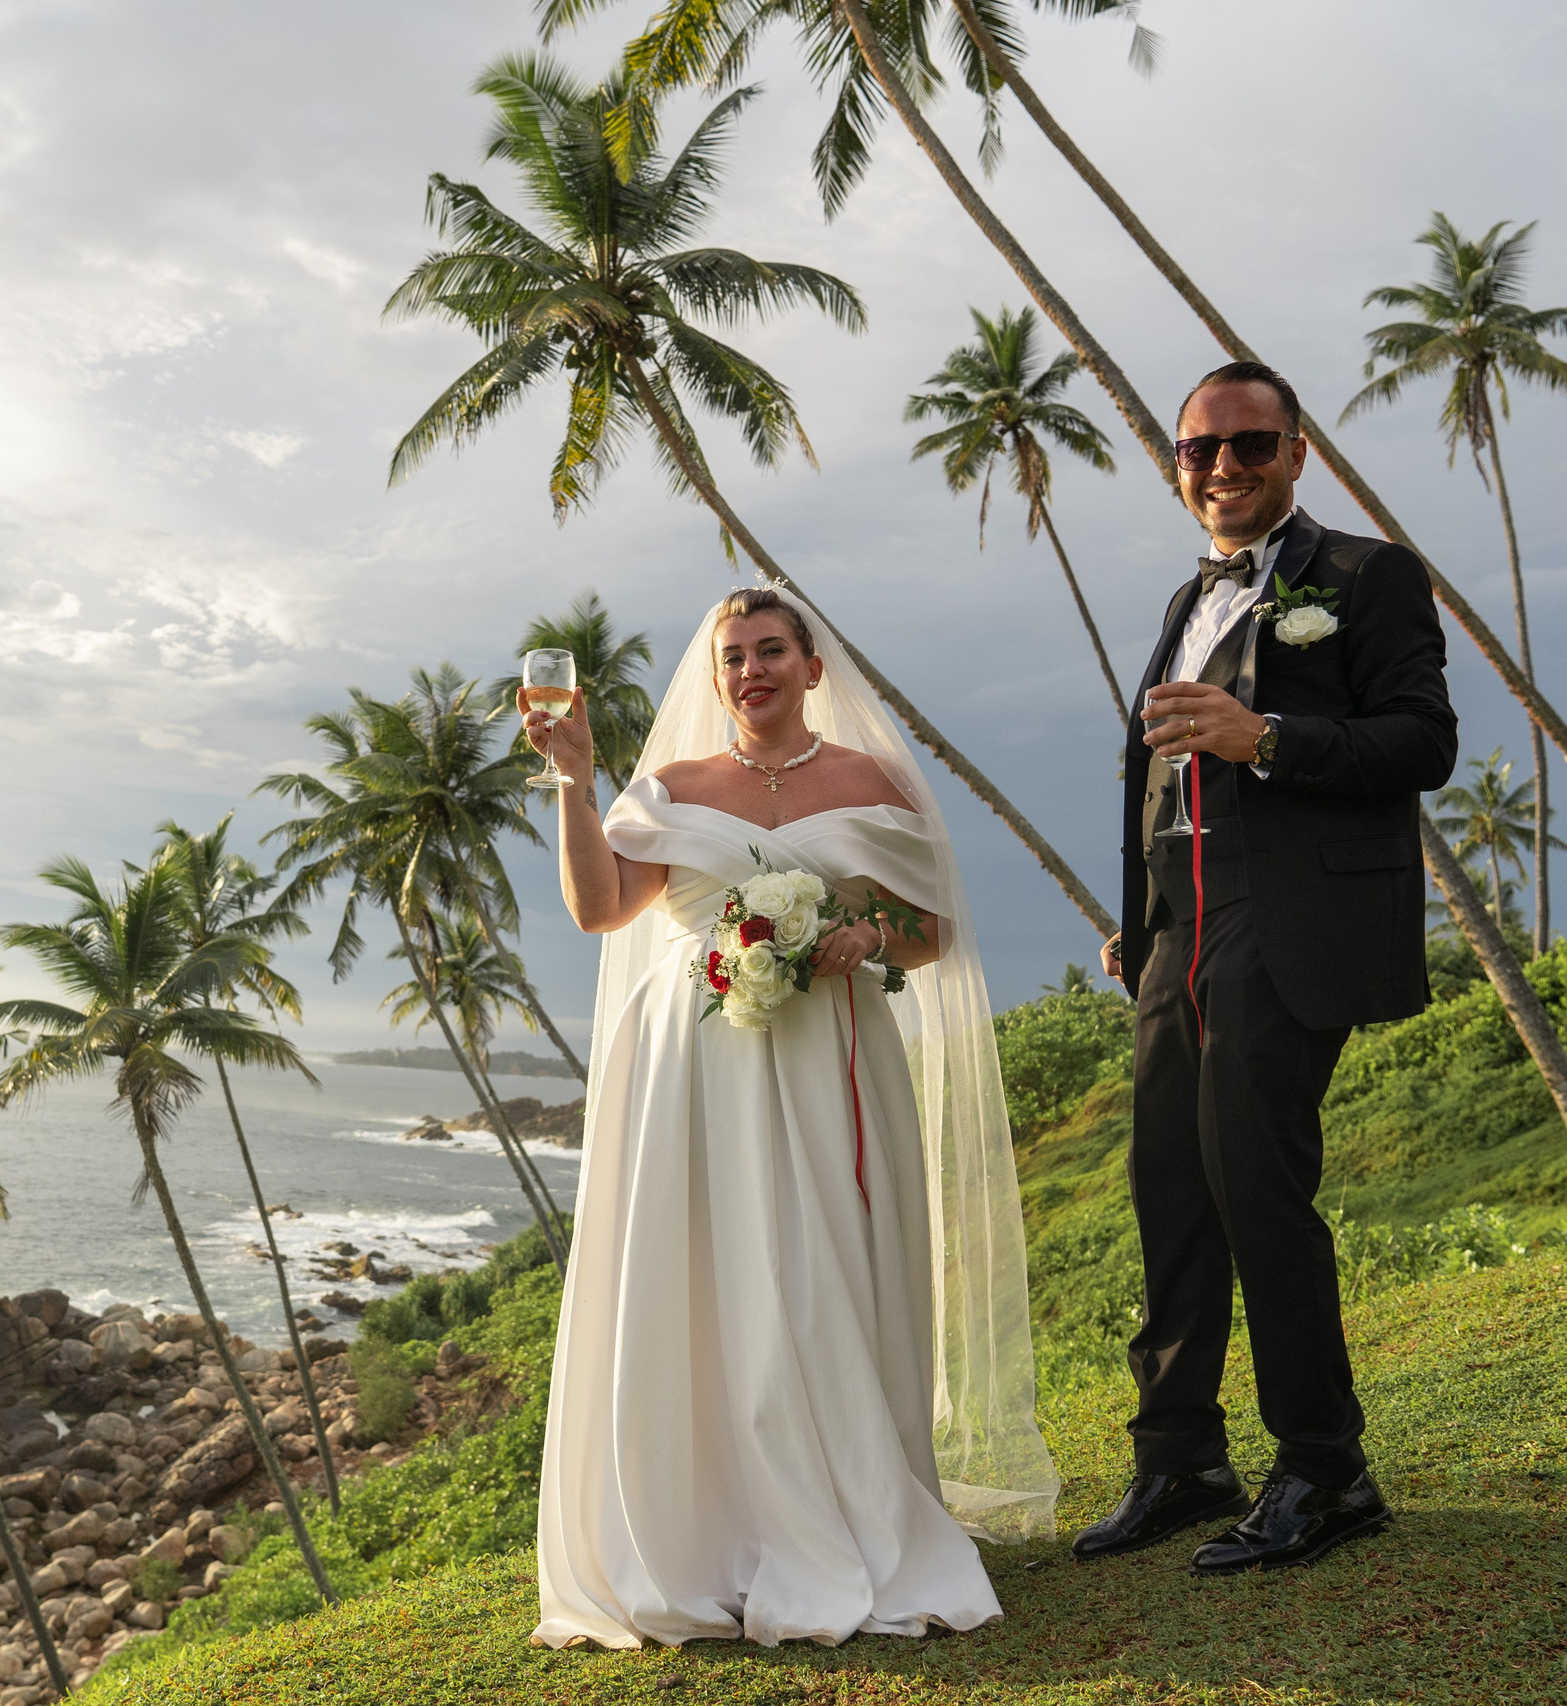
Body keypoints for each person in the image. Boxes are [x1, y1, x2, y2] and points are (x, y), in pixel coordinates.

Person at [525, 585, 1055, 1650]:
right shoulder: (670, 784)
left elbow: (929, 934)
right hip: (694, 1061)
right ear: (713, 675)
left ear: (814, 667)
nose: (750, 670)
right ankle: (709, 1527)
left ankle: (847, 1506)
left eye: (771, 650)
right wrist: (576, 782)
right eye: (732, 656)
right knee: (707, 1274)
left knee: (823, 1271)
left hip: (830, 1060)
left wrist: (862, 923)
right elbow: (598, 908)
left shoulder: (872, 781)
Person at [1084, 360, 1456, 1573]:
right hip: (1177, 934)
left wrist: (1270, 736)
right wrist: (1140, 925)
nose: (1224, 468)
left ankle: (1324, 1466)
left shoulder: (1365, 575)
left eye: (1250, 445)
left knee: (1255, 1187)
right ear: (1178, 466)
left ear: (1296, 451)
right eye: (1201, 450)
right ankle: (1180, 1458)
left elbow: (1422, 739)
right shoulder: (1183, 600)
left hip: (1285, 926)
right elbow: (1157, 779)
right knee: (1169, 1193)